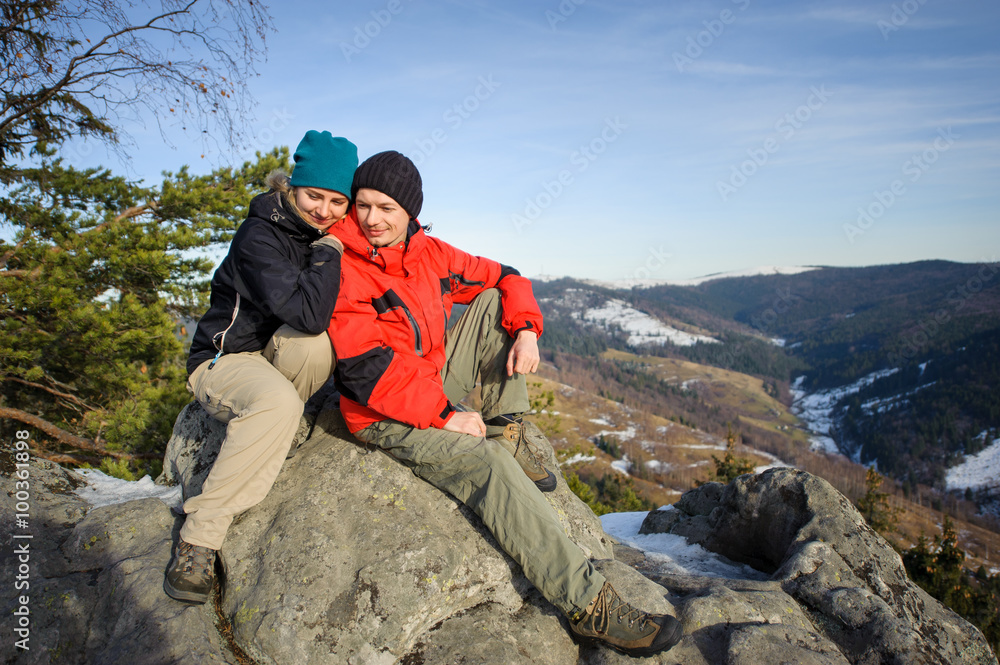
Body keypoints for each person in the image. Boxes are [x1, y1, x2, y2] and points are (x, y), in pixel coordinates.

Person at [327, 151, 682, 658]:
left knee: (495, 305)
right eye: (362, 205)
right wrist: (446, 416)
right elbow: (364, 372)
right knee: (486, 462)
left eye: (386, 207)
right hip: (382, 411)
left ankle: (508, 423)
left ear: (411, 213)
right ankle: (588, 605)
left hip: (428, 383)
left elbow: (506, 275)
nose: (372, 219)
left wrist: (528, 331)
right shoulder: (341, 263)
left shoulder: (426, 252)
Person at [163, 130, 358, 604]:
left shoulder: (316, 233)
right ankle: (199, 537)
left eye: (338, 202)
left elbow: (315, 327)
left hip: (270, 355)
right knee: (278, 398)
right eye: (315, 196)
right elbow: (308, 311)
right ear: (291, 186)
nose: (324, 211)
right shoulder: (260, 234)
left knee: (317, 349)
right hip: (222, 360)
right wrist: (331, 250)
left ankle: (274, 429)